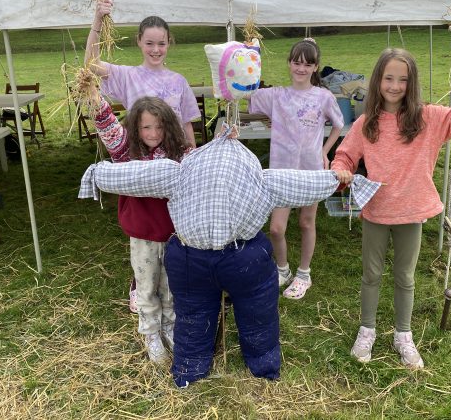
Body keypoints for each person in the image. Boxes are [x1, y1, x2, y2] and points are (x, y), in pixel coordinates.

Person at [79, 125, 381, 387]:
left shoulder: (178, 172)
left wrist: (99, 173)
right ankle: (262, 365)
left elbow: (136, 176)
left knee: (195, 315)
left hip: (192, 258)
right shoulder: (263, 179)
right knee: (256, 313)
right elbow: (303, 182)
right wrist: (340, 180)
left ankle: (190, 367)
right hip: (241, 258)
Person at [331, 46, 451, 369]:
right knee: (371, 274)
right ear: (378, 81)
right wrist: (341, 170)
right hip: (376, 212)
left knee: (405, 277)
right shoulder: (367, 123)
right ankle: (368, 329)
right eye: (388, 78)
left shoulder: (428, 119)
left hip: (411, 212)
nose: (394, 86)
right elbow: (345, 155)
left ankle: (403, 335)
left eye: (402, 80)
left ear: (411, 83)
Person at [85, 0, 201, 312]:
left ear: (169, 44)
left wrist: (192, 158)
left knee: (173, 224)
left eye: (161, 43)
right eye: (149, 43)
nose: (155, 49)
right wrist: (98, 21)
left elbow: (187, 124)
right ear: (139, 42)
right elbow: (90, 65)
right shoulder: (128, 76)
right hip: (140, 163)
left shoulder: (178, 81)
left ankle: (173, 280)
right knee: (144, 226)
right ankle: (140, 282)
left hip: (173, 160)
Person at [93, 93, 190, 364]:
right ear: (135, 128)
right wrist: (91, 92)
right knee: (146, 285)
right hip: (142, 234)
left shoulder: (178, 153)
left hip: (173, 234)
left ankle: (169, 326)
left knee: (170, 286)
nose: (153, 133)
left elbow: (202, 163)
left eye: (159, 127)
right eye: (146, 127)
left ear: (168, 127)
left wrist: (224, 140)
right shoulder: (126, 152)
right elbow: (105, 122)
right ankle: (150, 333)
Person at [248, 38, 345, 300]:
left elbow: (339, 124)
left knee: (306, 222)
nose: (301, 68)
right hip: (281, 172)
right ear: (289, 64)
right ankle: (282, 269)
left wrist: (325, 152)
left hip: (310, 171)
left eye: (308, 63)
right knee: (277, 228)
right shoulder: (277, 95)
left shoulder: (323, 97)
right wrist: (250, 55)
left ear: (316, 67)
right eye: (297, 62)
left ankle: (304, 273)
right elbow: (246, 92)